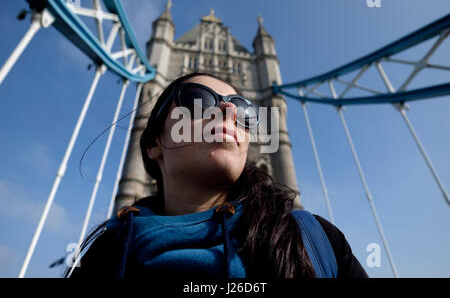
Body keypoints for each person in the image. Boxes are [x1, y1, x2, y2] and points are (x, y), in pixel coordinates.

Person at [67, 72, 368, 278]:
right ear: (153, 144)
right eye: (198, 99)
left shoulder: (317, 241)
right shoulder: (103, 259)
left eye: (244, 109)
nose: (227, 109)